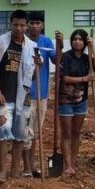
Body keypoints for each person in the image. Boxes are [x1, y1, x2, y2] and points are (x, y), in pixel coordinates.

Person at [0, 10, 38, 182]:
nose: (19, 28)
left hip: (23, 98)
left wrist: (38, 65)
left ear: (27, 26)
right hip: (3, 96)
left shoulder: (32, 46)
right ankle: (2, 171)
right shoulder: (1, 42)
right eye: (15, 24)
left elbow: (33, 77)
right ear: (11, 24)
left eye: (22, 25)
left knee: (20, 135)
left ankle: (15, 171)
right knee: (3, 131)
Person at [56, 29, 95, 176]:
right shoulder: (66, 57)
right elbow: (65, 78)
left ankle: (73, 161)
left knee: (76, 133)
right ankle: (67, 164)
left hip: (81, 101)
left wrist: (92, 46)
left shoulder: (87, 58)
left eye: (80, 39)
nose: (77, 42)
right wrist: (84, 79)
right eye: (75, 39)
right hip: (66, 101)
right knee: (66, 133)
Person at [24, 11, 56, 176]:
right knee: (25, 132)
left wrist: (60, 45)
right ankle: (26, 168)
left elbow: (56, 60)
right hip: (26, 94)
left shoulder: (46, 41)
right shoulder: (23, 41)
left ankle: (32, 166)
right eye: (32, 23)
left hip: (42, 94)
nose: (34, 26)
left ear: (42, 25)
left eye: (38, 23)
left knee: (35, 133)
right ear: (27, 24)